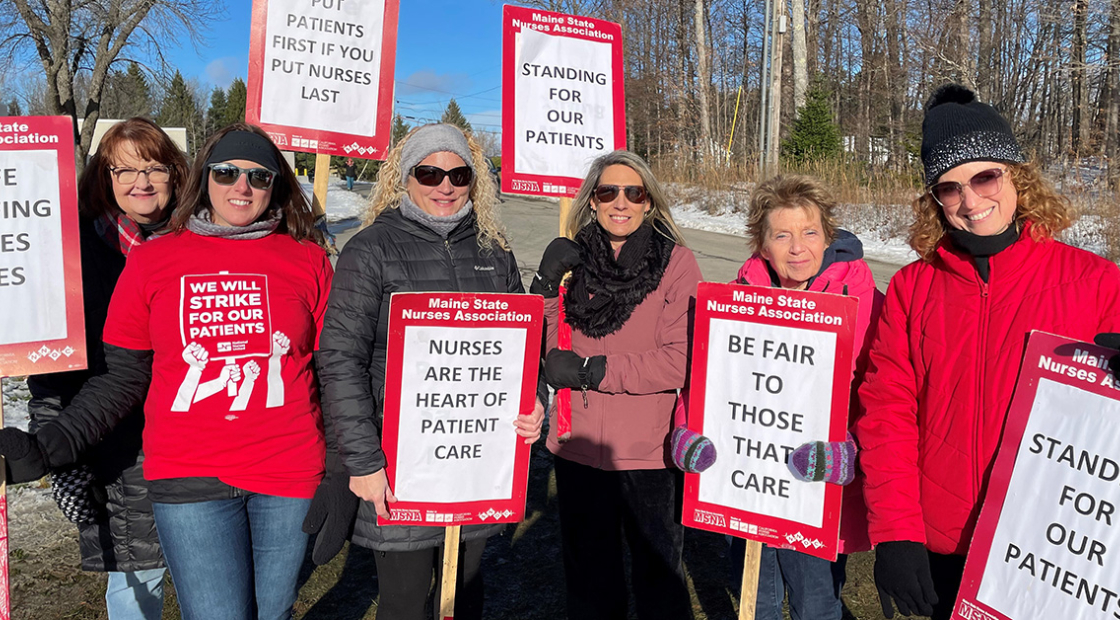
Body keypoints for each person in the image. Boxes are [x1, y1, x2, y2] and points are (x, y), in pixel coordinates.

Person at [0, 123, 334, 620]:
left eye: (258, 177)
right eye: (226, 172)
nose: (241, 187)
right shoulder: (155, 259)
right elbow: (121, 377)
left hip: (287, 472)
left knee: (274, 612)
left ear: (276, 185)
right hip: (189, 475)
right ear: (204, 178)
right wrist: (51, 444)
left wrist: (350, 466)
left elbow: (336, 370)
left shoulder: (307, 260)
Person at [857, 84, 1120, 620]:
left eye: (984, 176)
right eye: (949, 188)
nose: (972, 202)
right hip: (942, 543)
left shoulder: (1095, 281)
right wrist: (895, 533)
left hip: (1047, 547)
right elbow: (887, 414)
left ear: (1015, 175)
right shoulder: (912, 288)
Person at [317, 123, 545, 620]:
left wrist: (536, 399)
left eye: (459, 174)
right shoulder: (370, 248)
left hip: (475, 459)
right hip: (401, 463)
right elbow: (338, 358)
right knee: (405, 599)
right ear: (405, 178)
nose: (445, 186)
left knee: (464, 594)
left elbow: (524, 349)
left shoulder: (493, 249)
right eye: (429, 172)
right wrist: (363, 461)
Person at [26, 117, 187, 619]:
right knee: (135, 574)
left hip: (189, 428)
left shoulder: (197, 243)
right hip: (112, 433)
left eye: (154, 168)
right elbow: (52, 355)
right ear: (104, 178)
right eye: (124, 171)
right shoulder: (70, 250)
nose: (140, 183)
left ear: (175, 174)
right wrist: (54, 437)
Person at [533, 150, 702, 620]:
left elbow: (679, 361)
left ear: (649, 202)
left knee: (659, 585)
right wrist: (546, 285)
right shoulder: (574, 259)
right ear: (592, 201)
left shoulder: (677, 263)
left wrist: (594, 371)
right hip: (577, 446)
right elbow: (549, 348)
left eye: (634, 192)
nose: (621, 202)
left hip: (649, 454)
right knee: (590, 586)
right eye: (608, 191)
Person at [732, 174, 882, 620]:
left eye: (809, 232)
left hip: (817, 482)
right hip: (754, 474)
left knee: (815, 598)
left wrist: (851, 451)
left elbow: (883, 390)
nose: (798, 248)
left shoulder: (861, 297)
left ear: (827, 237)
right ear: (762, 245)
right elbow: (711, 376)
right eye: (782, 235)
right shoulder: (741, 294)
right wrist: (691, 428)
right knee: (755, 596)